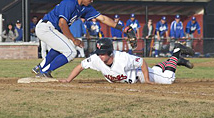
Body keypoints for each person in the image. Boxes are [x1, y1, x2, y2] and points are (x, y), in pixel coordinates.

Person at [32, 0, 135, 78]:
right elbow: (62, 23)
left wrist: (123, 28)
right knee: (71, 51)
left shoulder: (85, 8)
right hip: (46, 27)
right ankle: (45, 72)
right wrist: (73, 39)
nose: (92, 0)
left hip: (51, 29)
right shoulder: (70, 3)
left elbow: (103, 18)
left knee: (62, 48)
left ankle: (40, 67)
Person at [60, 38, 194, 84]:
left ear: (110, 52)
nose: (100, 56)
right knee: (158, 70)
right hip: (133, 77)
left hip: (139, 74)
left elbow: (141, 62)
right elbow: (80, 66)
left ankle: (176, 52)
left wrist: (147, 80)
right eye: (99, 53)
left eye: (103, 53)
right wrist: (68, 80)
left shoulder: (123, 58)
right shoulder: (96, 59)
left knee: (168, 80)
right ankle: (173, 60)